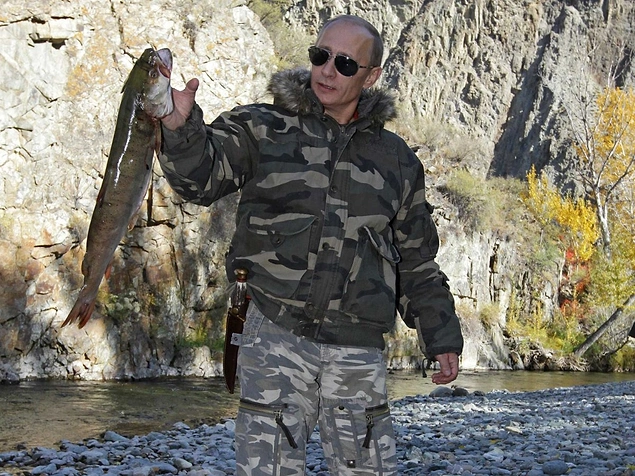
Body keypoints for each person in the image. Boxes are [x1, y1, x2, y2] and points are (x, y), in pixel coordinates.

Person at [158, 14, 463, 476]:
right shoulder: (262, 126)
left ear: (371, 75)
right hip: (274, 330)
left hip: (357, 347)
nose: (326, 70)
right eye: (320, 56)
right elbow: (200, 179)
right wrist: (180, 130)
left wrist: (440, 336)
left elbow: (416, 261)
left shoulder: (397, 161)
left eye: (344, 63)